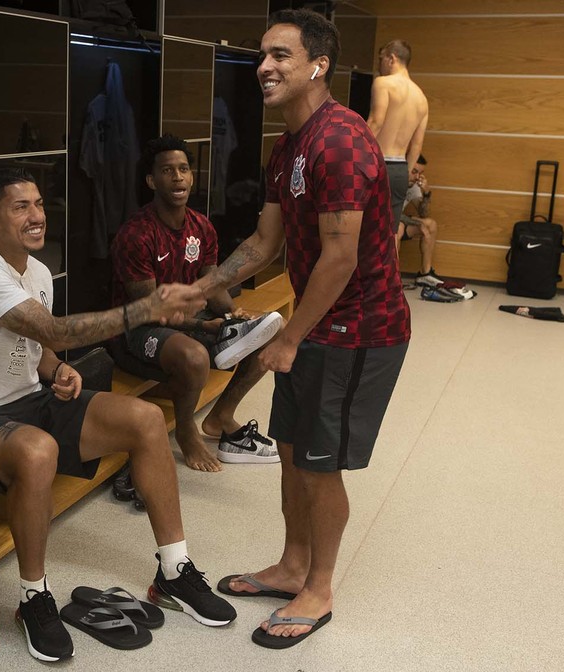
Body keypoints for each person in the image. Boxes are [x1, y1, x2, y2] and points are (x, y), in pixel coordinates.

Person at [0, 167, 236, 662]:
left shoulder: (38, 272)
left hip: (30, 401)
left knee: (146, 420)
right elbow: (54, 330)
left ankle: (174, 572)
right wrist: (145, 308)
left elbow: (41, 346)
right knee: (37, 450)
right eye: (20, 207)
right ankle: (34, 598)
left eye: (38, 204)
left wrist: (57, 370)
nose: (36, 215)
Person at [194, 9, 410, 649]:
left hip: (360, 330)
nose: (263, 66)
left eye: (280, 55)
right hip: (318, 322)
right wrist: (199, 288)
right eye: (262, 55)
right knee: (290, 450)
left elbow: (341, 256)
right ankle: (292, 566)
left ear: (319, 65)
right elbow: (264, 243)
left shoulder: (339, 142)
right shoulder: (287, 145)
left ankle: (318, 587)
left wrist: (288, 337)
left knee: (318, 465)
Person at [110, 133, 283, 472]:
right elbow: (150, 309)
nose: (178, 177)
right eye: (167, 171)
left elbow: (212, 285)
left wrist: (233, 314)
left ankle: (221, 416)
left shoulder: (202, 227)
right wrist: (206, 327)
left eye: (184, 169)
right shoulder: (136, 234)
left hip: (193, 321)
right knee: (195, 356)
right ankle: (186, 430)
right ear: (151, 180)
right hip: (137, 330)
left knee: (272, 332)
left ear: (192, 176)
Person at [367, 38, 428, 229]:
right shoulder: (421, 98)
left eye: (381, 59)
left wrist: (352, 155)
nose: (379, 65)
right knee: (389, 232)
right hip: (400, 170)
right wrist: (406, 173)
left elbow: (376, 123)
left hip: (376, 165)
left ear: (391, 59)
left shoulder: (383, 83)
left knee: (364, 229)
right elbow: (417, 145)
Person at [396, 154, 443, 287]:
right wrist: (416, 223)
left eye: (420, 173)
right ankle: (393, 278)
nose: (417, 177)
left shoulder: (413, 185)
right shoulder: (393, 182)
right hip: (381, 224)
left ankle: (425, 274)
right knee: (398, 228)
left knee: (430, 225)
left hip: (398, 221)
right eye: (414, 171)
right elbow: (389, 213)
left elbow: (423, 213)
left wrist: (426, 194)